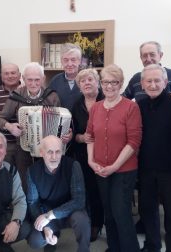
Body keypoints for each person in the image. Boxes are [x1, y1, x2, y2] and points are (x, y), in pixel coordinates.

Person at [87, 64, 142, 252]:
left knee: (121, 213)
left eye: (114, 82)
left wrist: (114, 166)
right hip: (100, 169)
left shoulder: (130, 107)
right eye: (105, 82)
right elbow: (90, 136)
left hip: (124, 171)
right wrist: (90, 161)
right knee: (108, 213)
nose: (109, 86)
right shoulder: (95, 108)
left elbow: (134, 142)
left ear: (121, 84)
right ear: (101, 84)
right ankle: (114, 248)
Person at [137, 64, 171, 252]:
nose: (153, 85)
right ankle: (152, 246)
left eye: (157, 80)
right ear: (142, 84)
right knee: (148, 210)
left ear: (166, 82)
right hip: (146, 169)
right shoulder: (139, 105)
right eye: (149, 81)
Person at [0, 62, 60, 191]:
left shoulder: (52, 96)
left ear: (43, 79)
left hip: (48, 148)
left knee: (47, 180)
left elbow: (60, 119)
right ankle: (28, 209)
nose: (33, 83)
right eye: (29, 80)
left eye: (37, 80)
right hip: (24, 147)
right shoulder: (16, 96)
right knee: (25, 182)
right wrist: (10, 126)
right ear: (23, 79)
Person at [26, 135, 90, 252]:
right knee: (34, 241)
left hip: (69, 211)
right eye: (50, 152)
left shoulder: (73, 166)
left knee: (82, 219)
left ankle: (84, 249)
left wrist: (51, 214)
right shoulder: (32, 171)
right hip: (46, 214)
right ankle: (50, 239)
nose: (54, 157)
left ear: (63, 151)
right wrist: (45, 227)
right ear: (41, 152)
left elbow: (79, 201)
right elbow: (32, 203)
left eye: (58, 152)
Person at [71, 68, 105, 242]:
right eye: (82, 81)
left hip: (108, 155)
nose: (87, 83)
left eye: (90, 79)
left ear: (97, 81)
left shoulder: (108, 99)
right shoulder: (76, 106)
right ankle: (95, 224)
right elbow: (73, 135)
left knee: (106, 191)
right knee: (91, 191)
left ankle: (109, 223)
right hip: (85, 156)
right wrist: (81, 137)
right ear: (79, 86)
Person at [123, 41, 171, 107]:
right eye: (145, 56)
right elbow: (122, 100)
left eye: (152, 55)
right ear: (141, 58)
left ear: (160, 55)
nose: (149, 59)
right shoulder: (136, 78)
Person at [0, 63, 21, 164]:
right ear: (1, 77)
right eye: (6, 73)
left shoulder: (26, 91)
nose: (10, 76)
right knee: (6, 173)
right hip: (3, 144)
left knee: (22, 174)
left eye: (13, 73)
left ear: (19, 75)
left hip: (23, 144)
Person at [48, 43, 82, 111]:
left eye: (73, 60)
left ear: (79, 61)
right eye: (66, 60)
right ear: (61, 62)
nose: (69, 64)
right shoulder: (55, 81)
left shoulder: (87, 80)